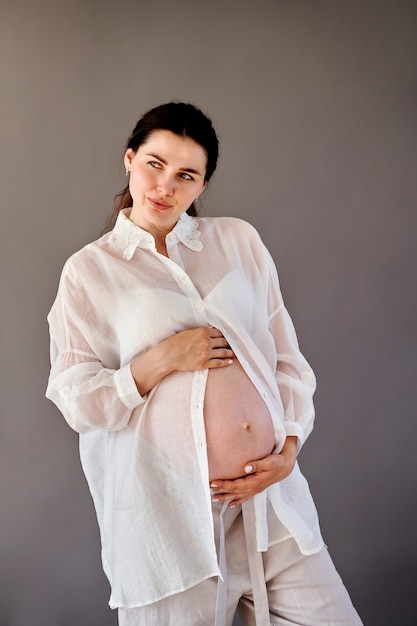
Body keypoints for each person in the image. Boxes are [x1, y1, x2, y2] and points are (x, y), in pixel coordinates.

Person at [46, 102, 362, 626]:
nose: (164, 186)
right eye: (154, 164)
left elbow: (285, 359)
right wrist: (158, 361)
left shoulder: (239, 242)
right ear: (129, 160)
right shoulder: (89, 272)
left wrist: (288, 446)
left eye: (185, 175)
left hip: (270, 507)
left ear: (202, 186)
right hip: (170, 524)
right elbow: (78, 398)